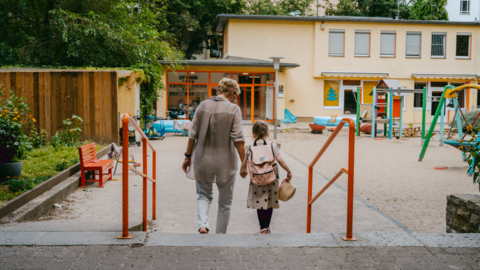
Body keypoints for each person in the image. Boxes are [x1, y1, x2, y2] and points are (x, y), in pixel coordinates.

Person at [182, 78, 245, 234]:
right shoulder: (234, 109)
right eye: (236, 95)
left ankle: (203, 224)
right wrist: (245, 164)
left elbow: (192, 135)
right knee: (225, 203)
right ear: (232, 93)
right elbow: (239, 140)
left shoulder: (202, 106)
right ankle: (220, 235)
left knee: (203, 195)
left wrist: (187, 156)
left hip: (202, 160)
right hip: (226, 162)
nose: (235, 98)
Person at [240, 121, 292, 234]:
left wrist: (242, 171)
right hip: (271, 179)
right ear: (267, 133)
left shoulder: (250, 148)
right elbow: (280, 160)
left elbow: (244, 163)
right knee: (270, 203)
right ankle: (267, 227)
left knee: (260, 203)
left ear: (253, 134)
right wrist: (288, 171)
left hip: (257, 180)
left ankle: (262, 227)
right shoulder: (272, 146)